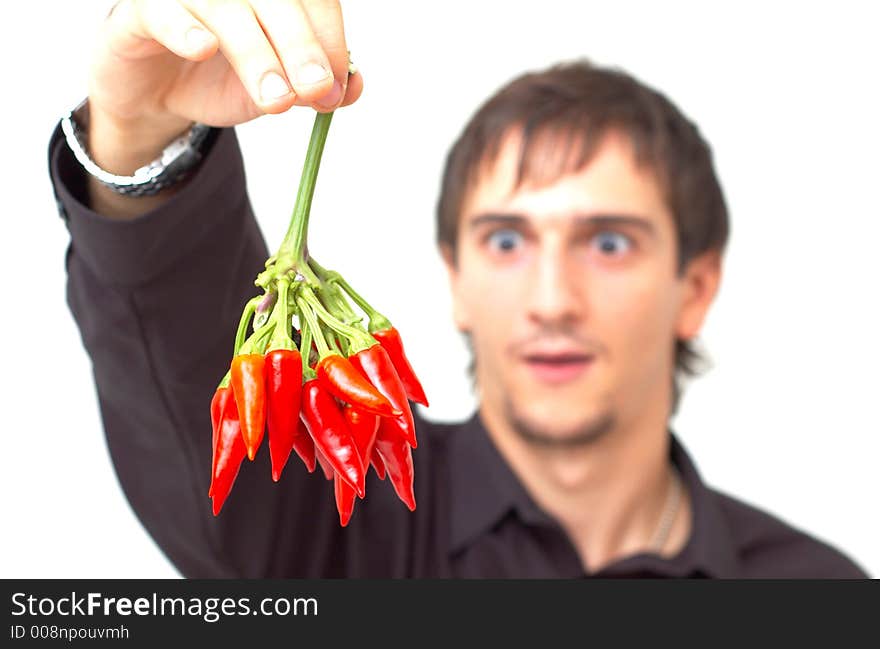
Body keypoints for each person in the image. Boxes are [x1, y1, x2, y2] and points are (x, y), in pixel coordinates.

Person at [48, 0, 867, 578]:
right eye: (506, 239)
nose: (552, 297)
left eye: (608, 241)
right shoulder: (340, 532)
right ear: (456, 280)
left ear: (695, 287)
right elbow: (186, 375)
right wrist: (141, 136)